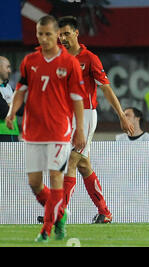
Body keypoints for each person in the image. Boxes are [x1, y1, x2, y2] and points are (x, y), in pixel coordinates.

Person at [5, 15, 86, 242]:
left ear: (57, 35)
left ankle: (47, 229)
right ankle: (60, 214)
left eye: (48, 34)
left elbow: (77, 99)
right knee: (34, 183)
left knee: (55, 178)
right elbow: (21, 89)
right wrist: (12, 112)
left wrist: (80, 129)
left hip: (59, 131)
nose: (44, 38)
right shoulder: (29, 61)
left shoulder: (69, 63)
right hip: (33, 130)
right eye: (40, 34)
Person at [57, 16, 134, 224]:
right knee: (83, 165)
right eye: (60, 34)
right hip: (66, 117)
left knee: (70, 161)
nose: (62, 38)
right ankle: (105, 212)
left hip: (87, 115)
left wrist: (122, 117)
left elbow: (106, 89)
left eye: (66, 33)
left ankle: (59, 212)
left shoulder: (90, 58)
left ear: (76, 33)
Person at [0, 56, 24, 141]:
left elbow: (22, 110)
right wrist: (13, 104)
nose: (9, 70)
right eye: (7, 67)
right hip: (1, 135)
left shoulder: (10, 88)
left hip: (13, 134)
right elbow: (3, 112)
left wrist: (8, 104)